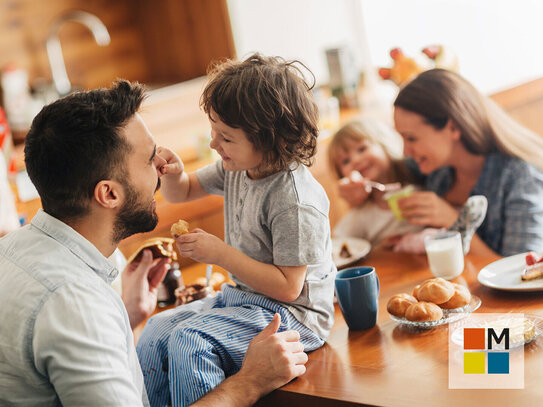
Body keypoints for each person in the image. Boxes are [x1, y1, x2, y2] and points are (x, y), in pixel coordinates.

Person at [0, 80, 308, 406]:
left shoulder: (15, 253)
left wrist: (128, 319)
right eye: (149, 160)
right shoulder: (75, 304)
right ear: (109, 194)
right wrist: (249, 383)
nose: (159, 172)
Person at [137, 54, 335, 407]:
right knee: (155, 331)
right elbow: (182, 192)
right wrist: (175, 174)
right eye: (214, 133)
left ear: (276, 141)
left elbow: (289, 288)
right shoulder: (239, 167)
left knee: (190, 341)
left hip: (296, 317)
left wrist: (220, 254)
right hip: (244, 299)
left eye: (225, 138)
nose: (214, 145)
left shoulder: (294, 201)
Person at [393, 68, 543, 256]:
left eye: (411, 138)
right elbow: (392, 167)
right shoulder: (437, 168)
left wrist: (454, 222)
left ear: (453, 127)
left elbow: (521, 274)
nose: (406, 151)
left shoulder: (520, 178)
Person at [327, 117, 422, 247]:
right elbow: (337, 246)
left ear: (384, 144)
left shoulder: (423, 184)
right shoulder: (361, 215)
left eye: (361, 149)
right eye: (345, 161)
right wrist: (377, 250)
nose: (355, 160)